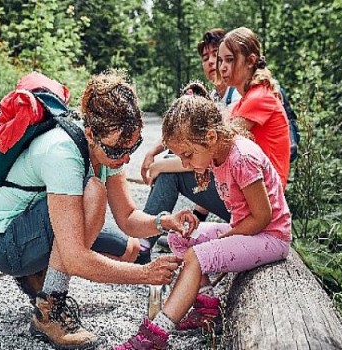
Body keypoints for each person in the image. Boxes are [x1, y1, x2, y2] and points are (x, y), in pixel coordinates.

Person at [0, 70, 197, 350]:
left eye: (135, 146)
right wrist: (145, 275)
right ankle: (50, 311)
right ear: (92, 134)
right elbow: (75, 258)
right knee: (94, 193)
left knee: (130, 250)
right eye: (119, 150)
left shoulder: (108, 151)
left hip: (34, 226)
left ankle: (38, 274)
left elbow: (128, 218)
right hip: (3, 241)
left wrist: (165, 221)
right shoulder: (63, 153)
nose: (127, 157)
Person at [114, 83, 291, 349]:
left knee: (197, 256)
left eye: (186, 155)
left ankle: (156, 334)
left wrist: (226, 237)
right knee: (179, 237)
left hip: (270, 237)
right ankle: (207, 307)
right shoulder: (215, 155)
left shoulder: (241, 157)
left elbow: (263, 217)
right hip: (247, 229)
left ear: (209, 137)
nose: (184, 164)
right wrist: (196, 220)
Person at [138, 28, 241, 260]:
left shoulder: (238, 97)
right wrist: (154, 151)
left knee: (169, 171)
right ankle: (152, 237)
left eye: (218, 55)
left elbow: (211, 157)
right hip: (232, 188)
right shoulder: (217, 97)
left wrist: (160, 166)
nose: (212, 62)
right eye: (206, 58)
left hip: (251, 198)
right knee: (169, 163)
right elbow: (187, 138)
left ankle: (142, 245)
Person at [218, 26, 291, 185]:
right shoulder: (243, 101)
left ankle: (153, 211)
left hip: (267, 194)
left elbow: (217, 145)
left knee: (172, 176)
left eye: (229, 60)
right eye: (221, 60)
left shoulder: (259, 97)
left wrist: (163, 165)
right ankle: (195, 212)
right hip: (252, 184)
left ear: (250, 61)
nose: (222, 67)